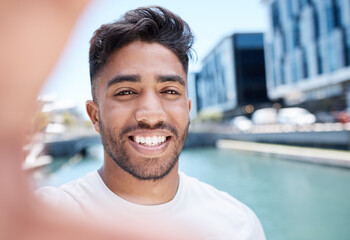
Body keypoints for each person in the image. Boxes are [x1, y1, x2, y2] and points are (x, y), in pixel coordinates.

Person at [37, 6, 266, 239]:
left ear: (187, 110)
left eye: (168, 90)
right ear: (95, 116)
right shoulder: (42, 221)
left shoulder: (240, 224)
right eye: (126, 92)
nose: (151, 114)